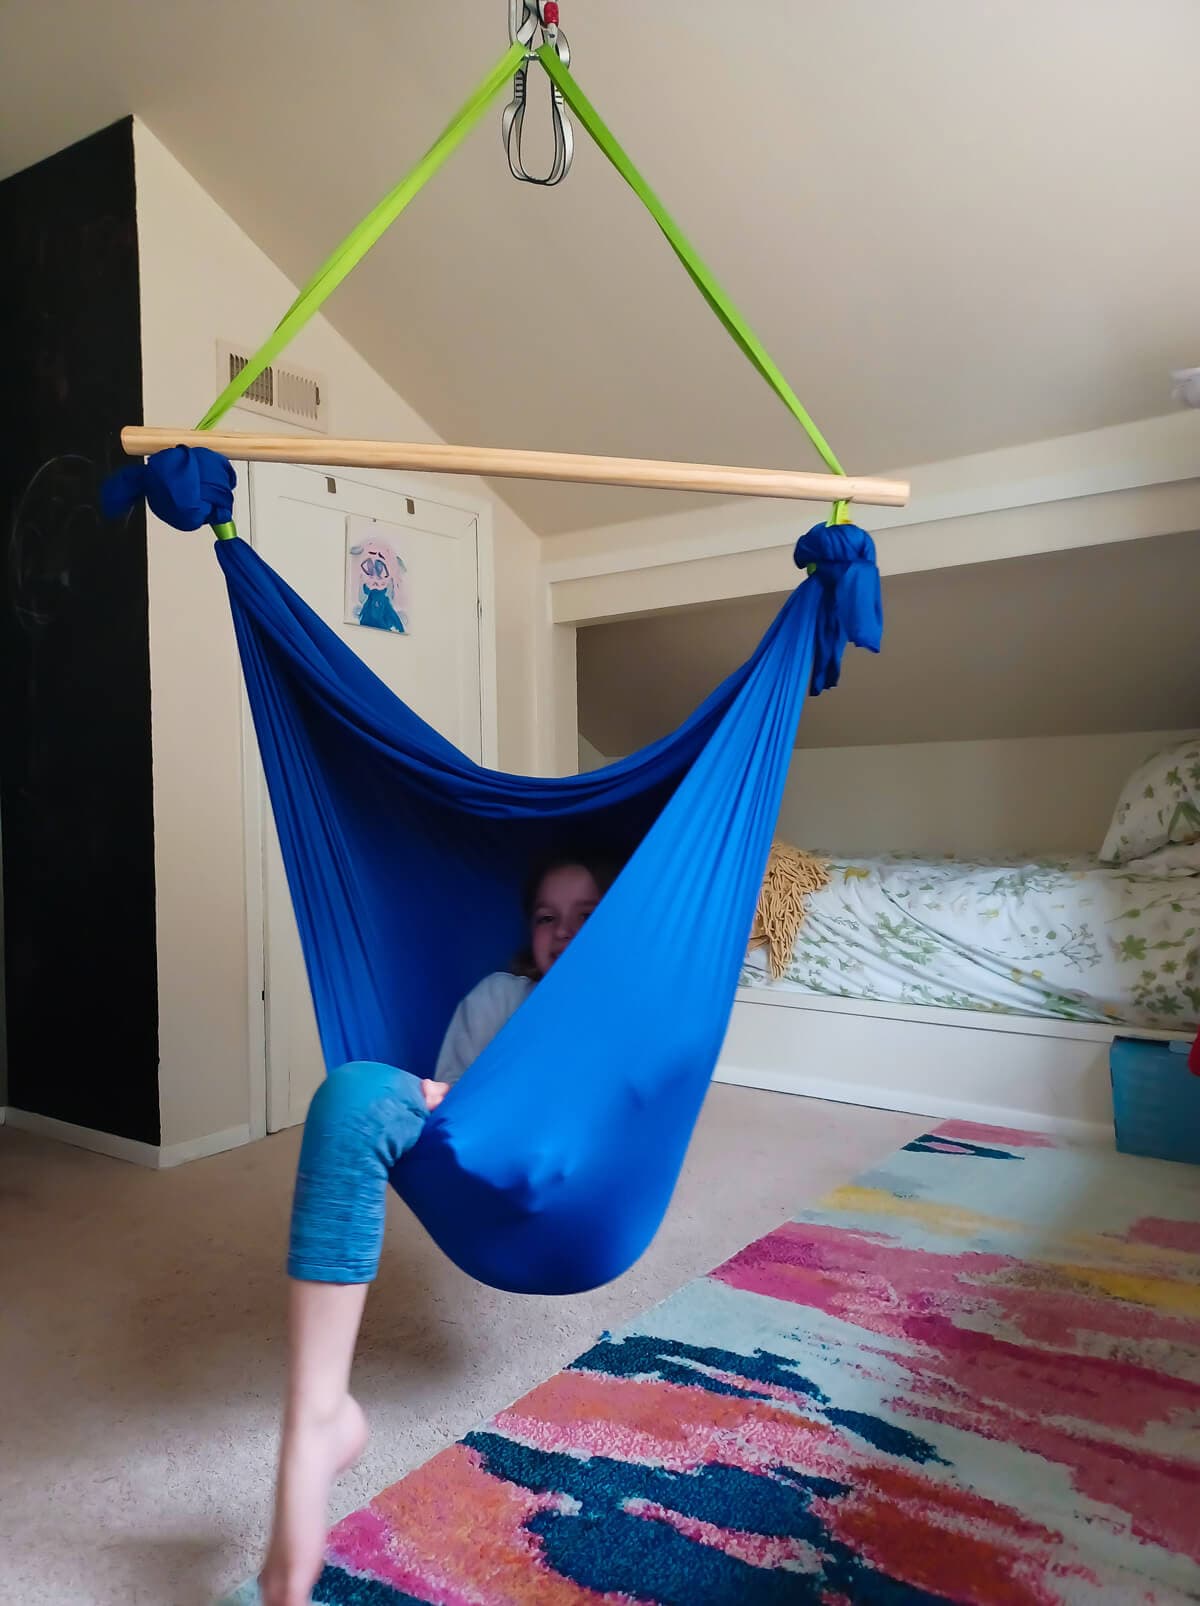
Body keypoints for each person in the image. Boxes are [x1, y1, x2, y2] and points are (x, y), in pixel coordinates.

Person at [257, 853, 617, 1606]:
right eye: (546, 917)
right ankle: (318, 1420)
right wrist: (457, 1103)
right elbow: (449, 1104)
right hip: (474, 1157)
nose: (562, 932)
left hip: (577, 1197)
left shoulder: (630, 1013)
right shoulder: (497, 997)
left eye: (587, 917)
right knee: (352, 1094)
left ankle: (320, 1432)